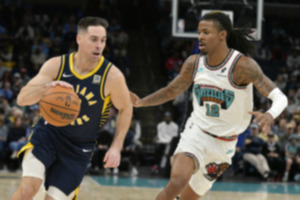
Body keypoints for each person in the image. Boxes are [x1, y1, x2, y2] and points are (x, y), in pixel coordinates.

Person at [130, 12, 287, 200]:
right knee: (177, 182)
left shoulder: (243, 66)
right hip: (197, 132)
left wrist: (270, 114)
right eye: (199, 32)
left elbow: (280, 97)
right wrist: (141, 102)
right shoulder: (194, 63)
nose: (200, 37)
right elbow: (171, 91)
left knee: (188, 198)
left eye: (206, 32)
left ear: (223, 35)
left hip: (225, 145)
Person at [10, 16, 132, 200]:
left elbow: (126, 108)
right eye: (94, 39)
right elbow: (21, 99)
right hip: (47, 136)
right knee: (28, 190)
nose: (99, 45)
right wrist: (46, 89)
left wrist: (116, 146)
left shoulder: (112, 76)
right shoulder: (57, 65)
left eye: (103, 40)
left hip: (78, 149)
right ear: (79, 39)